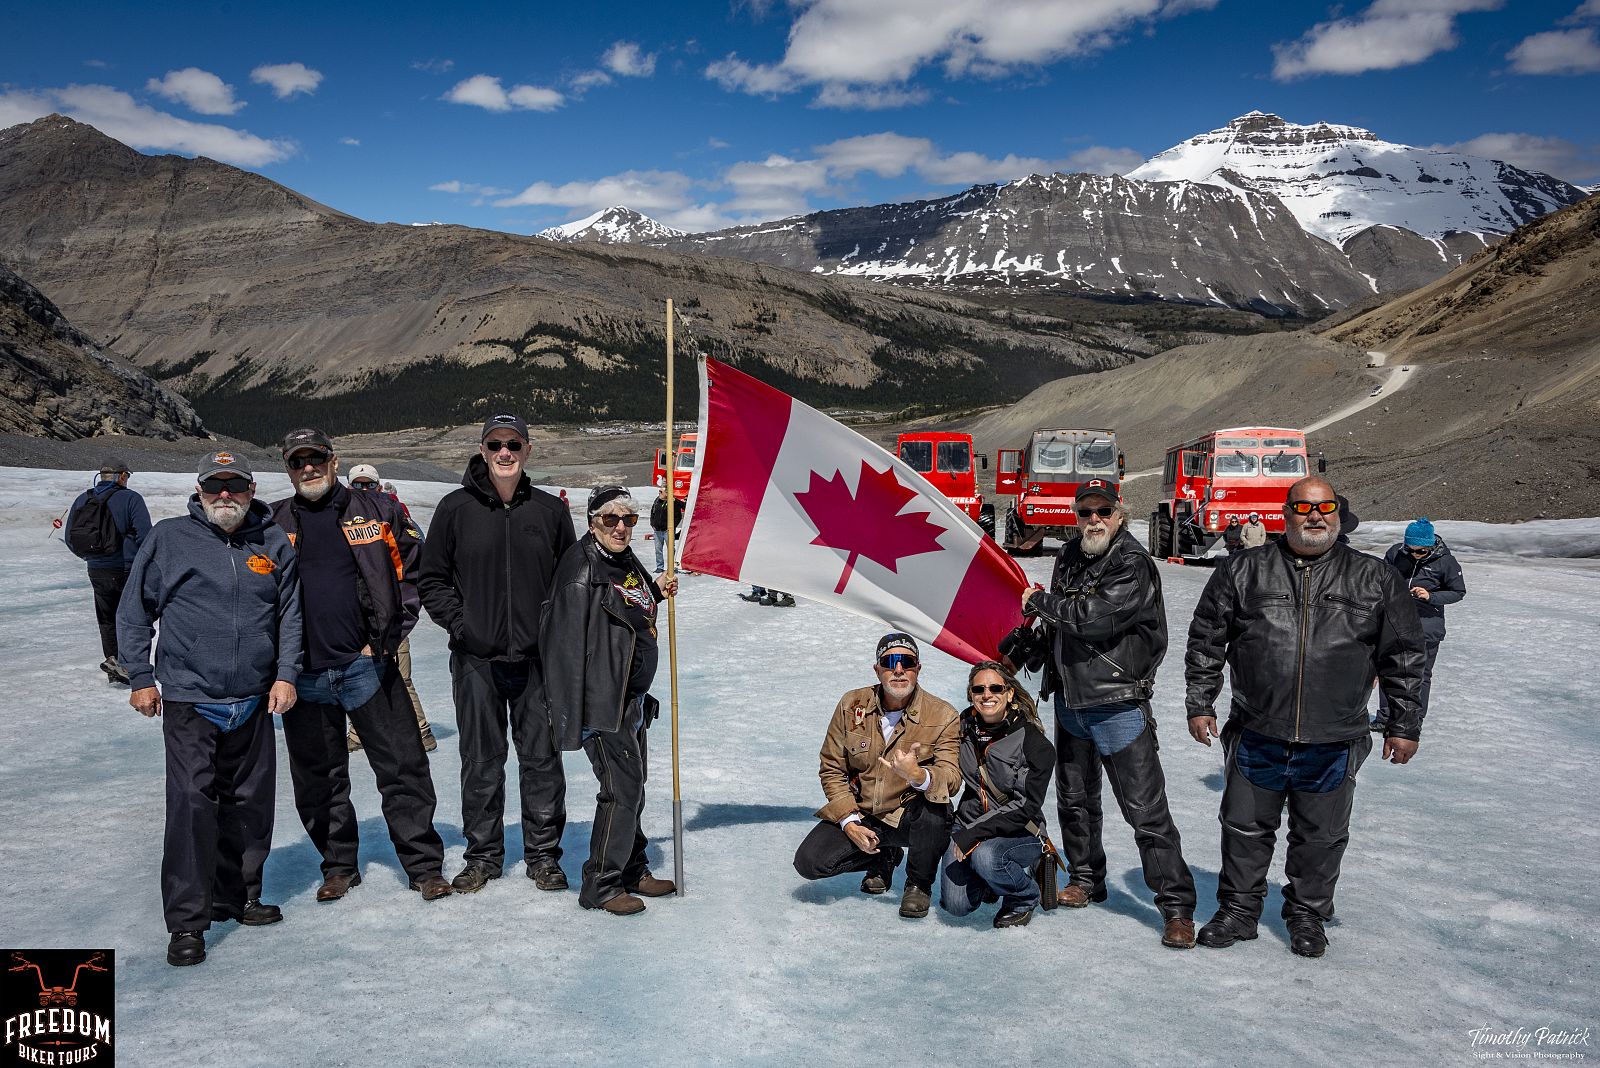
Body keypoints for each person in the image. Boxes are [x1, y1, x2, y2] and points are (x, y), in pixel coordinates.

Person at [1185, 476, 1425, 958]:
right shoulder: (1243, 570)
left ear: (1339, 512)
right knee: (1244, 830)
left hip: (1334, 737)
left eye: (1325, 506)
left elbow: (1404, 657)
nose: (1315, 516)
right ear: (1286, 513)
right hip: (1257, 730)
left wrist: (1403, 724)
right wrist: (1201, 701)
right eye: (1303, 507)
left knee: (1321, 837)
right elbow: (1208, 639)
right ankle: (1238, 911)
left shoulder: (1375, 577)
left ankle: (1307, 914)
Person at [116, 450, 302, 967]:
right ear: (199, 491)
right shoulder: (170, 540)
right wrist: (139, 677)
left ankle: (238, 894)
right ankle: (187, 923)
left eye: (235, 486)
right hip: (190, 698)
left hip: (254, 697)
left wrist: (286, 674)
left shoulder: (270, 542)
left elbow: (290, 614)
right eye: (215, 486)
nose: (225, 495)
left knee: (249, 803)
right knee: (193, 805)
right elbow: (134, 611)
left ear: (250, 489)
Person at [270, 429, 451, 904]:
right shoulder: (272, 522)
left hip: (366, 666)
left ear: (335, 461)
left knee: (403, 768)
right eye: (298, 462)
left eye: (317, 458)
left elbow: (417, 569)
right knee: (318, 777)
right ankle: (338, 866)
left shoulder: (377, 510)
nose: (308, 468)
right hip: (303, 674)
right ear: (288, 468)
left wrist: (387, 637)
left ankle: (424, 867)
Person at [1022, 477, 1198, 949]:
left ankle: (1176, 907)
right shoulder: (1070, 557)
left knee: (1144, 811)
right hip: (1071, 702)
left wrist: (1040, 601)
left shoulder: (1132, 563)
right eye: (1085, 512)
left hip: (1117, 703)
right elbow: (1067, 627)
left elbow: (1095, 619)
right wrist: (1036, 643)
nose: (1093, 521)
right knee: (1075, 801)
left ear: (1120, 514)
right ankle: (1086, 878)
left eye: (1103, 512)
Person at [418, 413, 576, 894]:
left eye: (513, 444)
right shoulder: (455, 508)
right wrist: (465, 627)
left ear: (528, 450)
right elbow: (431, 579)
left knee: (542, 761)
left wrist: (554, 636)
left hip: (536, 663)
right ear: (483, 450)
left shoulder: (549, 511)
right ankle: (483, 856)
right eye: (495, 444)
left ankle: (544, 856)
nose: (504, 452)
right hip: (476, 662)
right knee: (481, 760)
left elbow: (571, 582)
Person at [541, 486, 681, 915]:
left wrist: (655, 591)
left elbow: (627, 608)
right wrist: (576, 716)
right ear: (592, 521)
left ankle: (631, 868)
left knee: (633, 790)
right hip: (602, 705)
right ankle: (600, 884)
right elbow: (560, 648)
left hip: (630, 698)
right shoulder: (580, 572)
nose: (621, 527)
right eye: (611, 519)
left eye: (629, 520)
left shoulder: (621, 561)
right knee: (621, 790)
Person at [792, 633, 959, 919]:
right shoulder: (851, 704)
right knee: (809, 862)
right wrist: (848, 822)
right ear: (877, 669)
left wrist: (919, 775)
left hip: (908, 815)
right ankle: (884, 855)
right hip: (864, 811)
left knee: (936, 812)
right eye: (889, 662)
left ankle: (918, 884)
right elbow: (832, 766)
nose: (898, 670)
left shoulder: (943, 715)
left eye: (906, 662)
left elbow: (951, 777)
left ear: (918, 668)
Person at [938, 661, 1055, 928]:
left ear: (1009, 693)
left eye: (995, 688)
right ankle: (990, 881)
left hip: (1016, 831)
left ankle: (1024, 896)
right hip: (969, 822)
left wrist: (974, 834)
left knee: (987, 857)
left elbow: (1025, 806)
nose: (986, 695)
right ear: (970, 694)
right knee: (956, 906)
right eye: (978, 689)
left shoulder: (1034, 744)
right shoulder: (962, 727)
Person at [343, 462, 436, 754]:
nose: (363, 490)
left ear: (379, 487)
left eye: (368, 484)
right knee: (357, 676)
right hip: (355, 616)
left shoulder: (395, 515)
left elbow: (415, 561)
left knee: (399, 675)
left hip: (390, 615)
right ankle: (358, 734)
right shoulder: (341, 519)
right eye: (357, 485)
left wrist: (402, 611)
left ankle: (421, 732)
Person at [64, 458, 152, 684]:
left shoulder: (83, 499)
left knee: (106, 618)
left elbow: (70, 539)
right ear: (122, 476)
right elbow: (146, 537)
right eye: (127, 476)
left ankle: (113, 662)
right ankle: (127, 665)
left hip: (96, 569)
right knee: (131, 617)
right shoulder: (131, 499)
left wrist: (91, 559)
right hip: (126, 568)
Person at [1377, 518, 1465, 730]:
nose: (1415, 554)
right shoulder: (1395, 553)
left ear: (1431, 546)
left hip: (1427, 626)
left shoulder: (1446, 562)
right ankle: (1385, 717)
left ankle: (1414, 719)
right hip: (1395, 622)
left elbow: (1458, 592)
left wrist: (1431, 596)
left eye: (1421, 551)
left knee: (1421, 673)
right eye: (1411, 549)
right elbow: (1380, 578)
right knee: (1388, 669)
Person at [648, 483, 683, 573]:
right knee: (658, 549)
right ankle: (660, 567)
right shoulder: (657, 500)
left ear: (667, 493)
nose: (659, 493)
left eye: (661, 492)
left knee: (671, 549)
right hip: (657, 530)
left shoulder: (673, 502)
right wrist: (652, 523)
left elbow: (679, 515)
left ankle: (673, 567)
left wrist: (672, 527)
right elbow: (653, 512)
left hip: (668, 531)